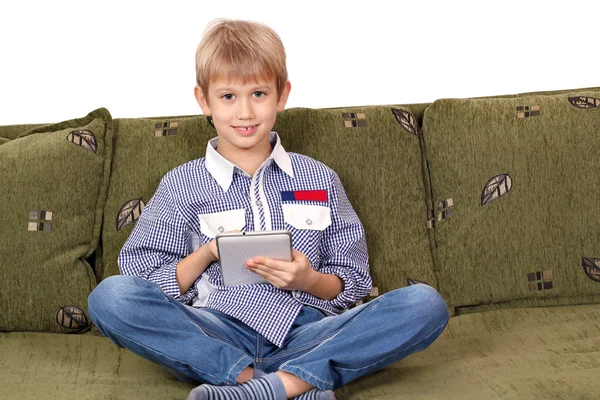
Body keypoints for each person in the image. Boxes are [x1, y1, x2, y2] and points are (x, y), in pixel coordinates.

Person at [88, 19, 450, 400]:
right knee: (110, 297)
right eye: (228, 96)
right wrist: (209, 252)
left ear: (281, 95)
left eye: (258, 93)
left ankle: (272, 386)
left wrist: (308, 280)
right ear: (203, 101)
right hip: (217, 330)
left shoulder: (319, 178)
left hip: (308, 330)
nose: (244, 112)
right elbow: (141, 279)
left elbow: (353, 278)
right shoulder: (181, 184)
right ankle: (270, 382)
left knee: (424, 303)